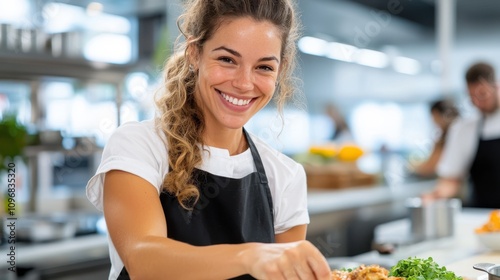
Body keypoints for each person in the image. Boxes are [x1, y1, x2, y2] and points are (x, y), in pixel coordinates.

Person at [85, 0, 331, 279]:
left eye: (263, 67)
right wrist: (250, 256)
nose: (244, 83)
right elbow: (143, 259)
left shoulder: (285, 176)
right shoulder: (138, 146)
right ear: (194, 53)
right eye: (227, 59)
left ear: (280, 70)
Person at [423, 62, 500, 208]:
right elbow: (451, 180)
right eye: (472, 97)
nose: (478, 103)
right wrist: (434, 196)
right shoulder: (465, 129)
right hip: (482, 217)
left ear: (496, 87)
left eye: (482, 95)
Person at [412, 99, 459, 177]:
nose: (434, 121)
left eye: (434, 117)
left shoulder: (450, 137)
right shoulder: (444, 137)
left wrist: (414, 169)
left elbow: (431, 167)